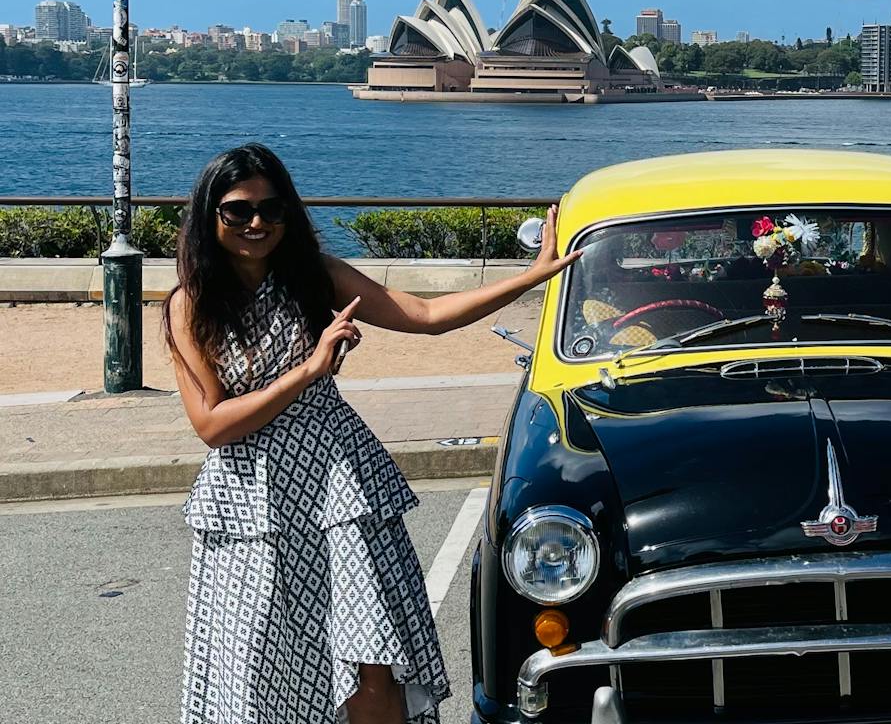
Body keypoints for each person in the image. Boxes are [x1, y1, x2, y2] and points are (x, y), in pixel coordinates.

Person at [164, 143, 579, 724]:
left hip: (339, 489)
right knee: (256, 670)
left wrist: (531, 277)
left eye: (272, 209)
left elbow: (427, 316)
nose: (256, 223)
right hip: (250, 505)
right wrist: (310, 369)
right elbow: (213, 424)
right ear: (209, 216)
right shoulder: (192, 304)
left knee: (372, 661)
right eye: (238, 211)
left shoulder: (316, 277)